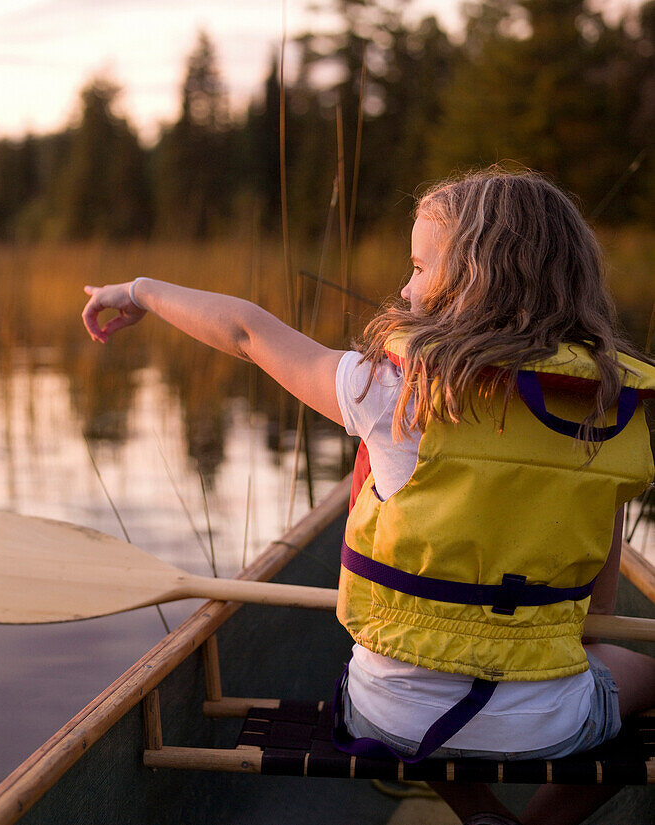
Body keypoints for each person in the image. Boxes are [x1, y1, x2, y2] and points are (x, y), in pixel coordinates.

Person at [80, 168, 655, 825]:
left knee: (388, 692)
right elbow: (597, 611)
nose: (404, 288)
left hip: (389, 714)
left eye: (417, 266)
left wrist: (141, 291)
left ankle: (477, 812)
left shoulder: (391, 391)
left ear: (471, 277)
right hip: (548, 725)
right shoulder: (613, 412)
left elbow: (244, 330)